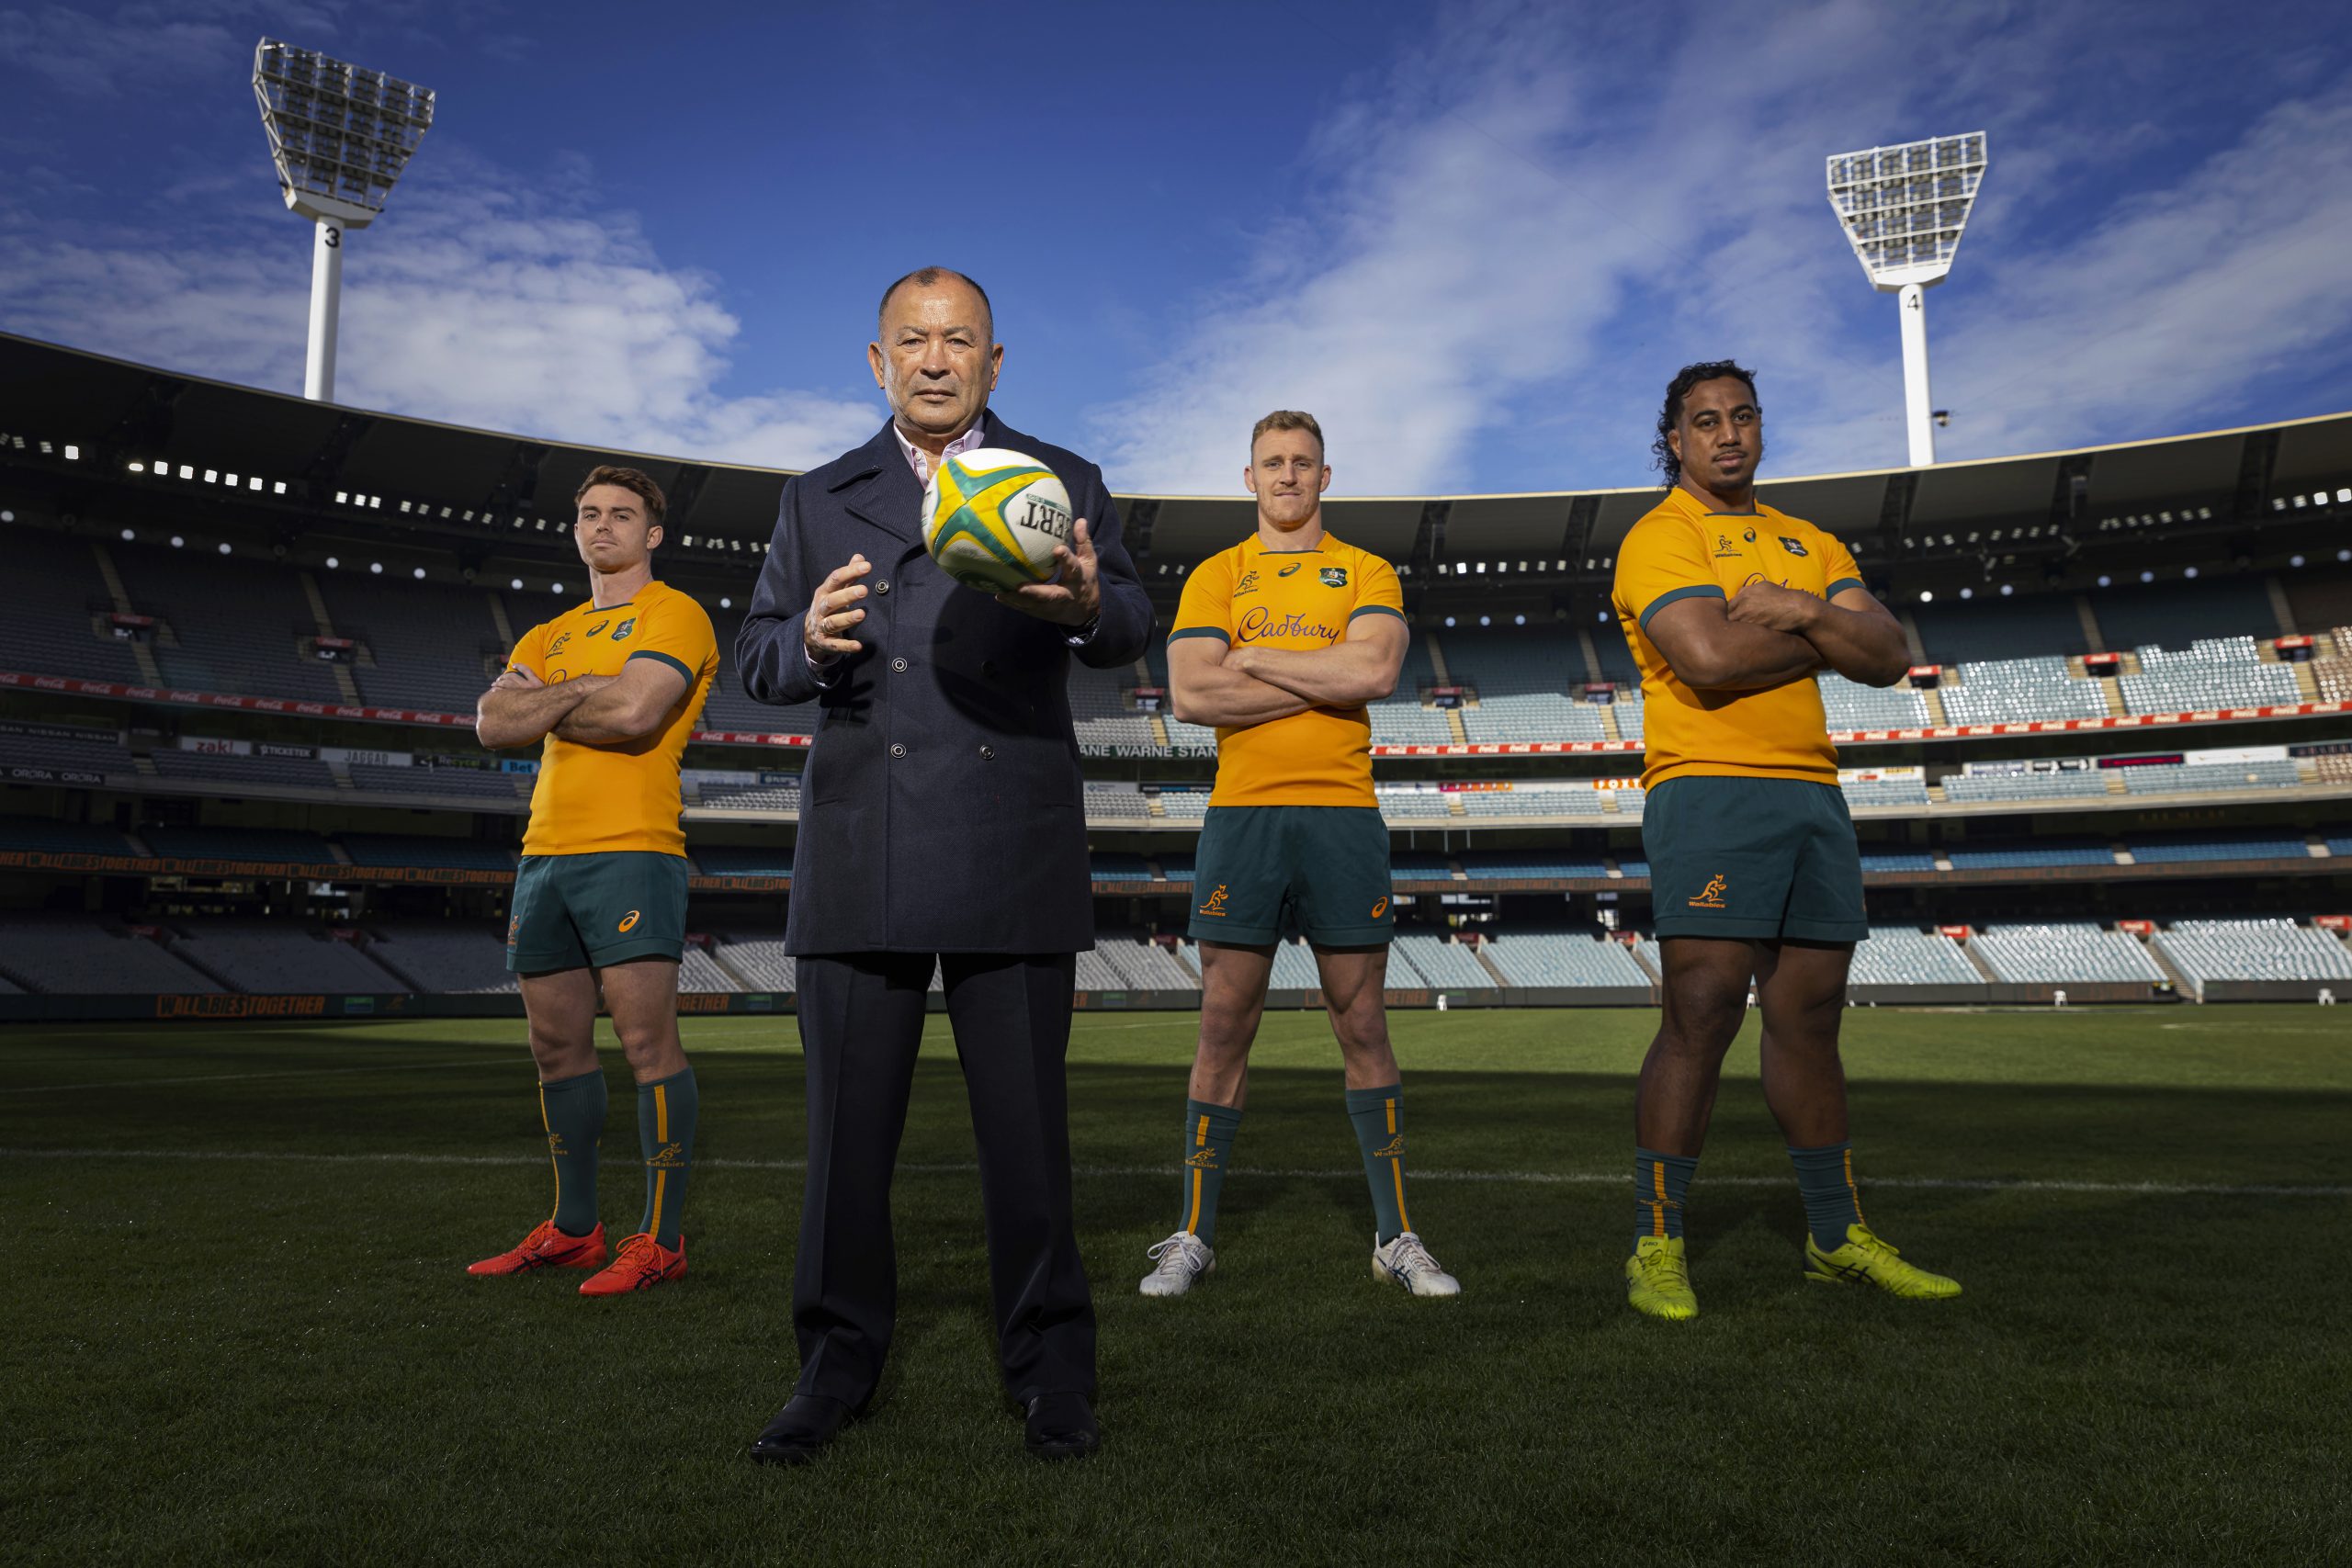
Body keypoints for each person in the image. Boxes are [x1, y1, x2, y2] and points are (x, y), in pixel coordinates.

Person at [735, 267, 1151, 1463]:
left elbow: (1132, 621)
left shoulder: (1061, 481)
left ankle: (1053, 1370)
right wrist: (802, 642)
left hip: (1008, 838)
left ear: (994, 360)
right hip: (863, 843)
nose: (933, 357)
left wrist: (1080, 602)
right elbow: (754, 651)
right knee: (844, 1150)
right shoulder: (816, 498)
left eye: (956, 338)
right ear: (876, 362)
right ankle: (832, 1365)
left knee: (1028, 1143)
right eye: (910, 340)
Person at [1610, 361, 1961, 1321]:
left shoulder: (1809, 542)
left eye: (1742, 417)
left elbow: (1889, 656)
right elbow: (1711, 660)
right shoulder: (1659, 537)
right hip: (1708, 790)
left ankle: (1834, 1238)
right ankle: (1656, 1243)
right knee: (1704, 1007)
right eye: (1704, 421)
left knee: (1810, 1019)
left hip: (1811, 793)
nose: (1726, 434)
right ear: (1673, 441)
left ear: (1760, 431)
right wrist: (1832, 635)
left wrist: (1803, 609)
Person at [1142, 411, 1459, 1301]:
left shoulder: (1365, 571)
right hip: (1243, 818)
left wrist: (1254, 658)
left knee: (1362, 1025)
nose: (1287, 476)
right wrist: (1315, 664)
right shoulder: (1216, 574)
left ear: (1326, 477)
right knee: (1221, 1025)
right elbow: (1192, 692)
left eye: (1302, 464)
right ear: (1249, 478)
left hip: (1341, 817)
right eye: (1271, 463)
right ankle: (1191, 1236)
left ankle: (1395, 1236)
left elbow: (1373, 676)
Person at [468, 466, 718, 1296]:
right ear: (575, 531)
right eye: (588, 514)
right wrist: (586, 689)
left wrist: (551, 699)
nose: (601, 525)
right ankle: (576, 1229)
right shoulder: (548, 631)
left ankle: (662, 1239)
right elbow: (492, 723)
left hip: (633, 848)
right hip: (545, 855)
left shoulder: (673, 612)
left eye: (621, 514)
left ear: (653, 533)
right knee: (554, 1048)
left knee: (647, 1045)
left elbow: (637, 713)